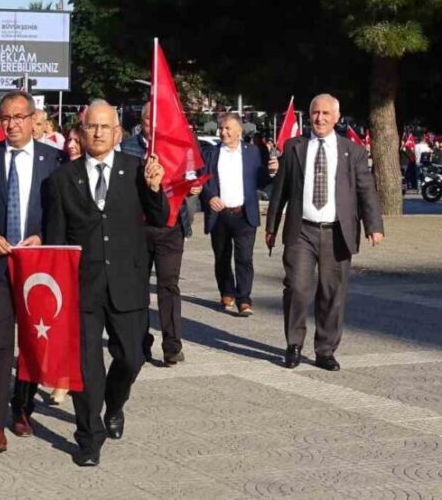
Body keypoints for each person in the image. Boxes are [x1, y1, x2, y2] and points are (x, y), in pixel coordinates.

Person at [42, 99, 167, 467]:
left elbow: (159, 217)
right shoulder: (62, 179)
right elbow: (56, 239)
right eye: (90, 127)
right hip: (83, 286)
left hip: (127, 282)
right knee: (85, 368)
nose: (97, 133)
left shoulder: (136, 169)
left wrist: (156, 188)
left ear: (118, 133)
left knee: (131, 356)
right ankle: (88, 436)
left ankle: (115, 404)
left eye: (104, 127)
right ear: (81, 132)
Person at [0, 91, 63, 453]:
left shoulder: (53, 159)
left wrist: (44, 236)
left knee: (34, 342)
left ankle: (22, 407)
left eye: (20, 117)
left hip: (37, 267)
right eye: (6, 118)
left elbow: (60, 214)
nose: (13, 124)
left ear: (34, 119)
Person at [265, 94, 383, 371]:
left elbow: (366, 189)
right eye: (315, 113)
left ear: (336, 118)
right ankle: (294, 344)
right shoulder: (294, 147)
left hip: (337, 232)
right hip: (301, 231)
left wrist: (374, 225)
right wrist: (271, 227)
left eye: (325, 113)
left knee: (333, 293)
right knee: (296, 287)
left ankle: (325, 350)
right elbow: (279, 192)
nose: (319, 118)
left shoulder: (351, 151)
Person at [120, 102, 196, 365]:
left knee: (168, 285)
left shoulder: (178, 146)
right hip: (139, 228)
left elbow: (190, 174)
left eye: (159, 119)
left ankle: (172, 345)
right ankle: (141, 340)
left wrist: (192, 186)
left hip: (171, 228)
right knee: (138, 287)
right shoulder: (127, 147)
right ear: (142, 121)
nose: (154, 125)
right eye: (150, 119)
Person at [199, 113, 278, 315]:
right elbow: (201, 180)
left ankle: (244, 298)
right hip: (220, 215)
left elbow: (261, 180)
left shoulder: (252, 152)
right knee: (222, 257)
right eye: (221, 128)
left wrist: (272, 172)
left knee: (244, 258)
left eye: (227, 128)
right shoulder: (211, 153)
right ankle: (227, 292)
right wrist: (209, 197)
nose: (223, 132)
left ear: (239, 131)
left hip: (244, 214)